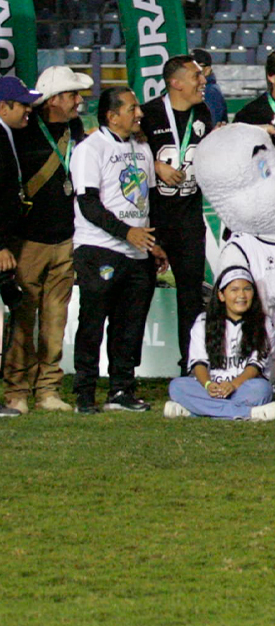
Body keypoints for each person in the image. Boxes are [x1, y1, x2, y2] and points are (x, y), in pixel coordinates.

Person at [70, 86, 164, 414]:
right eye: (132, 108)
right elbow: (88, 203)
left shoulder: (141, 147)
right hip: (100, 248)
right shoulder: (90, 149)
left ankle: (122, 390)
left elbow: (149, 197)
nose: (139, 113)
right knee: (93, 321)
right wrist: (127, 233)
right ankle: (83, 392)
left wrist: (156, 243)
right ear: (112, 116)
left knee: (130, 324)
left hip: (138, 251)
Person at [1, 68, 87, 415]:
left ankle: (48, 388)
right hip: (27, 241)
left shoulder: (75, 129)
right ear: (54, 100)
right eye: (72, 96)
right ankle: (16, 390)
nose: (79, 102)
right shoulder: (20, 132)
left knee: (56, 319)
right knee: (22, 319)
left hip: (65, 237)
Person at [142, 55, 214, 374]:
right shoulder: (148, 112)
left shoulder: (203, 112)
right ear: (176, 82)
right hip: (150, 222)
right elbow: (125, 152)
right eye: (197, 76)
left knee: (191, 300)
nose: (204, 81)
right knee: (137, 296)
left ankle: (191, 367)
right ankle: (124, 373)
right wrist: (154, 165)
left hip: (188, 221)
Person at [162, 274, 275, 421]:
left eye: (247, 289)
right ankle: (250, 413)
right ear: (221, 295)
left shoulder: (263, 322)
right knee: (177, 386)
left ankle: (195, 412)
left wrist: (233, 385)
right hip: (211, 388)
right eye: (234, 290)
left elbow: (255, 366)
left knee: (262, 389)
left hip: (242, 388)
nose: (241, 295)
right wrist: (208, 384)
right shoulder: (203, 321)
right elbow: (198, 363)